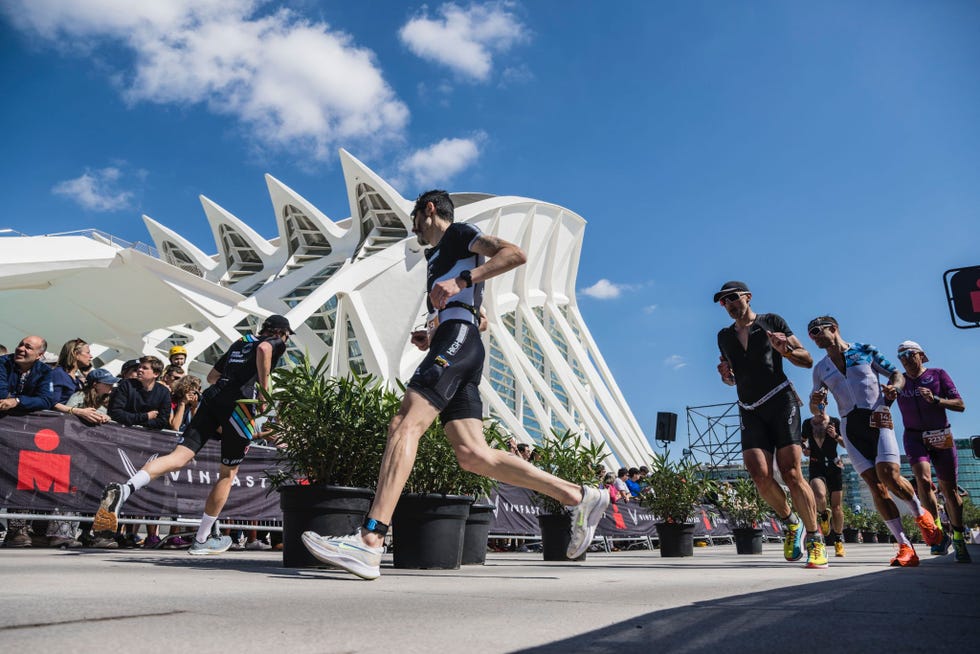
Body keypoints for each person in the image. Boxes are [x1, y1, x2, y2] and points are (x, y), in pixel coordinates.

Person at [301, 190, 609, 580]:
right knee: (472, 454)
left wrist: (463, 282)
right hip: (460, 340)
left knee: (404, 424)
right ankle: (577, 496)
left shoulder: (460, 233)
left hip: (458, 342)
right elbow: (475, 313)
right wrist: (433, 330)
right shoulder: (437, 257)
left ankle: (370, 540)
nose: (413, 229)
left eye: (415, 219)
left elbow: (514, 253)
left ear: (429, 210)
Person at [92, 315, 294, 555]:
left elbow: (211, 378)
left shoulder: (242, 340)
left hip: (212, 398)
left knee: (178, 457)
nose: (287, 341)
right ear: (281, 332)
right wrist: (263, 391)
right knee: (228, 474)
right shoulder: (274, 342)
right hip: (239, 407)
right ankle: (202, 538)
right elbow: (264, 348)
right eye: (287, 336)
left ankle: (126, 489)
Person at [807, 317, 941, 567]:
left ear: (833, 328)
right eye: (811, 334)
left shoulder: (865, 350)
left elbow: (895, 374)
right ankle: (904, 546)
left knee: (889, 476)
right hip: (850, 425)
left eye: (816, 331)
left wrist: (894, 389)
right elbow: (818, 408)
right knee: (875, 485)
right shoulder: (821, 368)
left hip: (877, 418)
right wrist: (816, 402)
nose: (813, 337)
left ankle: (921, 515)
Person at [713, 281, 825, 568]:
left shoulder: (771, 321)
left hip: (780, 401)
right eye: (724, 302)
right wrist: (726, 376)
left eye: (733, 298)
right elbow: (733, 378)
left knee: (790, 472)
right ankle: (791, 523)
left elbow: (807, 359)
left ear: (748, 297)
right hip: (749, 407)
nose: (730, 304)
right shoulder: (724, 336)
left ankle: (815, 539)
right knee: (759, 474)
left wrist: (785, 349)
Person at [894, 340, 970, 563]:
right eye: (900, 356)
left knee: (950, 491)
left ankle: (957, 535)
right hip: (914, 435)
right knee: (923, 481)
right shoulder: (899, 379)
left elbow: (961, 404)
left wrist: (936, 399)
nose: (905, 358)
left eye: (909, 353)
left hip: (940, 434)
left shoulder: (938, 374)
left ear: (921, 355)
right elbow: (884, 400)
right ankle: (936, 533)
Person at [0, 336, 56, 547]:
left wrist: (18, 401)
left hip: (23, 436)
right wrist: (21, 401)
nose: (21, 348)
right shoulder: (2, 363)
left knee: (21, 480)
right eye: (20, 344)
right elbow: (1, 393)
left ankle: (18, 530)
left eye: (28, 347)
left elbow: (48, 399)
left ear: (39, 355)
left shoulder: (44, 372)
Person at [801, 411, 846, 557]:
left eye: (822, 403)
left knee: (837, 507)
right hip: (816, 464)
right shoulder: (808, 423)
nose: (819, 407)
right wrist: (804, 449)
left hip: (834, 465)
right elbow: (801, 440)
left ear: (825, 404)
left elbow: (846, 444)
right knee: (819, 494)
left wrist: (836, 436)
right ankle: (824, 515)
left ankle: (838, 541)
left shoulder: (835, 422)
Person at [108, 356, 172, 430]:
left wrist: (134, 421)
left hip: (147, 437)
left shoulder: (163, 392)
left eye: (144, 368)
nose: (139, 370)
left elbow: (162, 422)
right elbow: (116, 413)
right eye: (139, 367)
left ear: (156, 374)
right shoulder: (126, 385)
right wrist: (146, 416)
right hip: (121, 432)